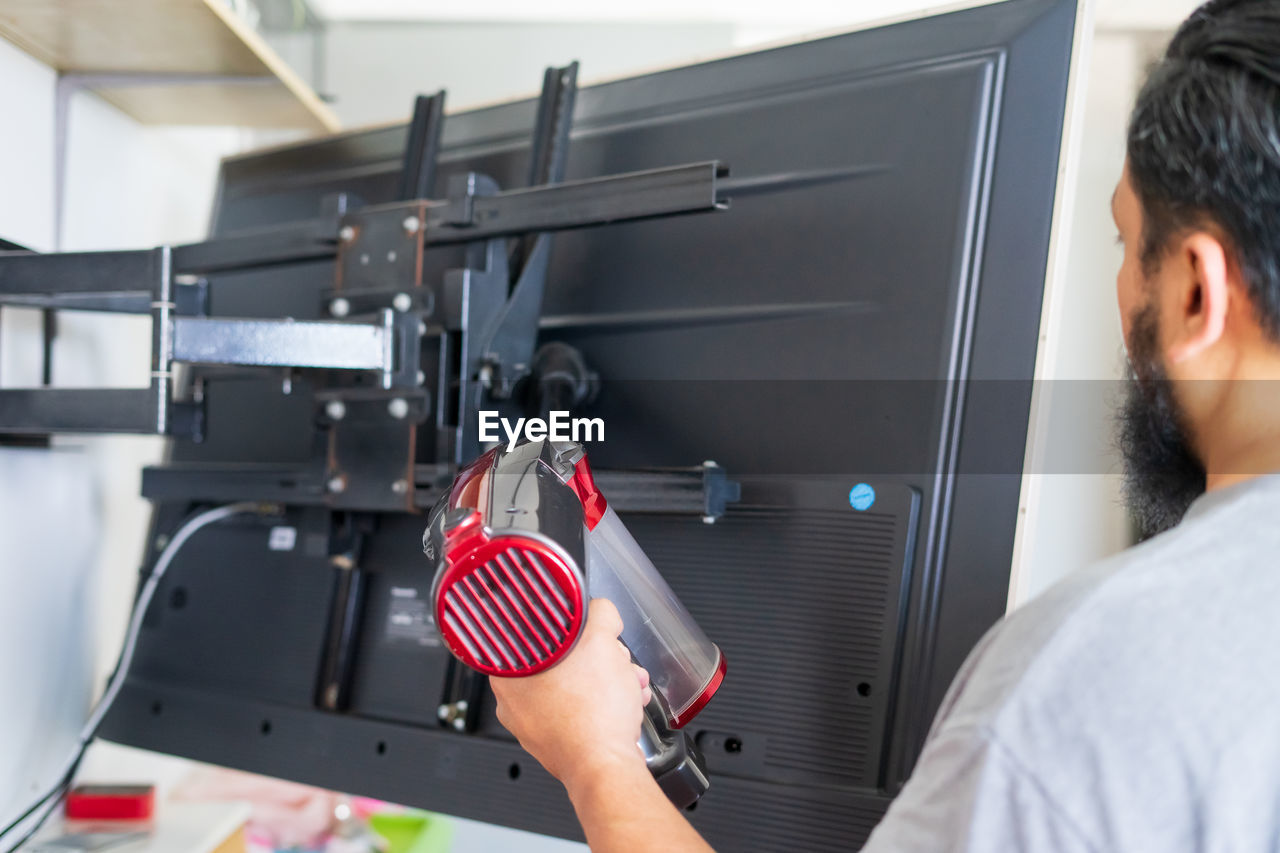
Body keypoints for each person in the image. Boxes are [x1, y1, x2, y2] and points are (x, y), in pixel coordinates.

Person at [491, 1, 1280, 849]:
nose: (1121, 288)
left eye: (1126, 244)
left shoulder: (1105, 674)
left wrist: (596, 755)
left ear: (1197, 290)